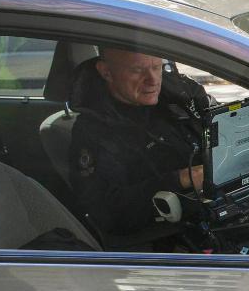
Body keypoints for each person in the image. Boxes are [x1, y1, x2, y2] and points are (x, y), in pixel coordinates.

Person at [68, 48, 211, 245]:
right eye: (137, 70)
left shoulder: (178, 96)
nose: (153, 80)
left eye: (157, 67)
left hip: (216, 206)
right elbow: (105, 211)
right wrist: (182, 179)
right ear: (106, 72)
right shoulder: (94, 131)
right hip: (167, 239)